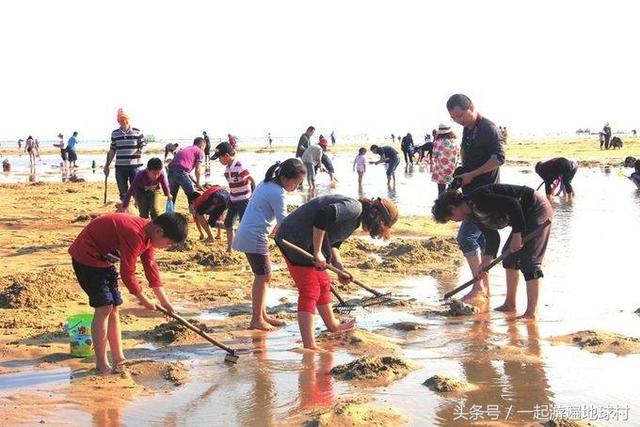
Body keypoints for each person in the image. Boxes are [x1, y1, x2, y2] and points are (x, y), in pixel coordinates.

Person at [68, 212, 188, 374]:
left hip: (105, 261)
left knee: (114, 308)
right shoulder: (135, 233)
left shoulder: (148, 235)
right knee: (104, 307)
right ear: (159, 231)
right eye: (168, 243)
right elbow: (127, 274)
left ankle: (119, 358)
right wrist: (144, 300)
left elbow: (151, 269)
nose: (166, 247)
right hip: (87, 258)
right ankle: (101, 363)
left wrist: (164, 302)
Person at [275, 195, 399, 349]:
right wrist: (318, 250)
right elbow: (323, 215)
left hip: (309, 242)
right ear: (376, 216)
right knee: (310, 290)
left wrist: (340, 268)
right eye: (380, 226)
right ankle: (309, 345)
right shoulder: (354, 208)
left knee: (323, 283)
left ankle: (332, 324)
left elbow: (335, 243)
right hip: (294, 239)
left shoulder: (354, 221)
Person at [432, 184, 553, 319]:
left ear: (452, 208)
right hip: (523, 216)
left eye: (450, 218)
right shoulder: (471, 215)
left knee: (529, 261)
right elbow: (492, 237)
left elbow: (513, 205)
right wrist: (485, 263)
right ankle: (510, 304)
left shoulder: (479, 199)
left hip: (536, 207)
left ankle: (531, 313)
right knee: (509, 258)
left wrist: (517, 235)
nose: (453, 221)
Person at [232, 158, 306, 330]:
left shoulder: (267, 184)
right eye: (296, 183)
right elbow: (283, 221)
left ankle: (262, 315)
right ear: (287, 178)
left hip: (250, 233)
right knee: (263, 276)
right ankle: (257, 319)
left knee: (264, 275)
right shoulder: (277, 192)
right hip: (254, 235)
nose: (296, 187)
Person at [447, 93, 505, 304]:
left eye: (461, 115)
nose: (459, 120)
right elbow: (472, 159)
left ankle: (478, 286)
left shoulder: (488, 128)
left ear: (471, 107)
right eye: (454, 118)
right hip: (471, 193)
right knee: (481, 240)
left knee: (466, 238)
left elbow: (498, 158)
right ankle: (484, 287)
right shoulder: (468, 129)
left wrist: (473, 174)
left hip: (486, 194)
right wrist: (463, 172)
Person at [212, 142, 256, 252]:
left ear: (226, 155)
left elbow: (251, 179)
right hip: (233, 199)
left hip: (244, 200)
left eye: (220, 158)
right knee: (228, 223)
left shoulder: (239, 166)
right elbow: (232, 185)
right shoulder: (227, 170)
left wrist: (254, 195)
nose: (219, 161)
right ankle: (230, 246)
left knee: (244, 223)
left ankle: (247, 246)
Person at [105, 108, 146, 201]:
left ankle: (137, 211)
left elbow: (143, 145)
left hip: (135, 167)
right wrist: (107, 165)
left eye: (124, 119)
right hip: (120, 167)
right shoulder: (115, 134)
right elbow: (112, 150)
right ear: (118, 121)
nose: (123, 121)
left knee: (136, 191)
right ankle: (125, 210)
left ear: (128, 119)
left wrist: (140, 150)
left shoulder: (137, 131)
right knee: (123, 192)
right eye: (120, 119)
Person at [167, 137, 205, 204]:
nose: (203, 150)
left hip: (171, 172)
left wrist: (194, 181)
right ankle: (195, 213)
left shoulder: (186, 148)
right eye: (204, 147)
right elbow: (197, 170)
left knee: (172, 195)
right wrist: (198, 182)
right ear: (202, 146)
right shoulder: (199, 152)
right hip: (181, 172)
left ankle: (169, 212)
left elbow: (187, 172)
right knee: (192, 195)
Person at [431, 124, 459, 194]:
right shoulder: (455, 142)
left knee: (441, 191)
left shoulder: (437, 142)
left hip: (440, 170)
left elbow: (434, 155)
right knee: (452, 190)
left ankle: (441, 203)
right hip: (452, 169)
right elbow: (458, 153)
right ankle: (451, 203)